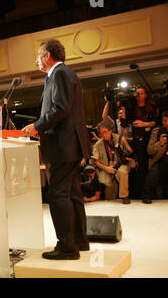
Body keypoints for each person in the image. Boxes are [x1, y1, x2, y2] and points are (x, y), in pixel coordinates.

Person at [22, 39, 91, 260]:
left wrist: (37, 126)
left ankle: (67, 248)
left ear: (48, 55)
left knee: (58, 194)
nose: (36, 60)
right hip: (70, 143)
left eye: (38, 55)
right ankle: (80, 240)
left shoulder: (59, 73)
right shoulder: (62, 74)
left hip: (64, 144)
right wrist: (39, 125)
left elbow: (60, 108)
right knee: (72, 193)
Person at [124, 86, 158, 199]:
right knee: (137, 167)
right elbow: (124, 122)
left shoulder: (151, 107)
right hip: (136, 141)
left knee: (146, 168)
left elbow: (155, 122)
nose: (139, 95)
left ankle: (147, 193)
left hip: (148, 141)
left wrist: (145, 124)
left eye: (141, 93)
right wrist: (123, 106)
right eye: (137, 93)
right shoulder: (132, 108)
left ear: (145, 95)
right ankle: (136, 194)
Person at [92, 120, 135, 204]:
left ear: (110, 130)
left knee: (122, 171)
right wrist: (107, 168)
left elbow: (131, 152)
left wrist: (127, 156)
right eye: (101, 133)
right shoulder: (98, 144)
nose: (104, 135)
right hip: (108, 169)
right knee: (109, 197)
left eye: (105, 132)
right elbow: (95, 161)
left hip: (121, 165)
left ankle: (124, 196)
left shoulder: (120, 139)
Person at [142, 111, 168, 203]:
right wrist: (159, 143)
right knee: (153, 173)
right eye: (165, 120)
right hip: (159, 161)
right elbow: (149, 150)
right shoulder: (156, 131)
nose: (167, 123)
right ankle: (146, 196)